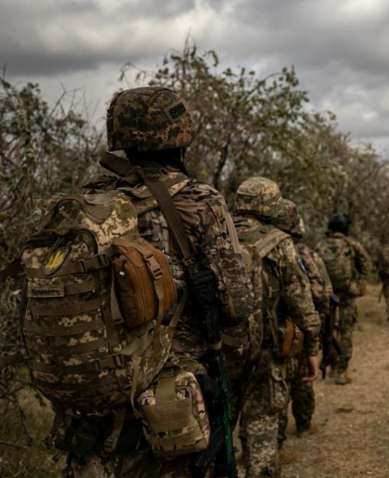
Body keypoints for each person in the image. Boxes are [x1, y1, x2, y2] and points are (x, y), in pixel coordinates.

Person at [12, 86, 255, 478]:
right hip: (167, 402)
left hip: (90, 404)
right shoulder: (200, 200)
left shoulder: (87, 204)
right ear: (180, 135)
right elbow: (238, 303)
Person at [233, 179, 321, 478]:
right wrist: (312, 349)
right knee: (261, 432)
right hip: (263, 354)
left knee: (215, 438)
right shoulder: (280, 243)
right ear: (270, 206)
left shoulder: (212, 234)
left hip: (216, 355)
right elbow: (302, 303)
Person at [283, 205, 333, 442]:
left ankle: (276, 437)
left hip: (270, 333)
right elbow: (323, 294)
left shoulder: (252, 247)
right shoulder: (308, 255)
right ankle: (303, 424)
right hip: (299, 330)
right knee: (303, 378)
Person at [317, 213, 372, 385]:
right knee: (346, 331)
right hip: (347, 293)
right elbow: (366, 264)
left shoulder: (320, 245)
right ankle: (342, 371)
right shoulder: (352, 244)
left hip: (326, 294)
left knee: (328, 330)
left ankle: (332, 365)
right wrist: (359, 283)